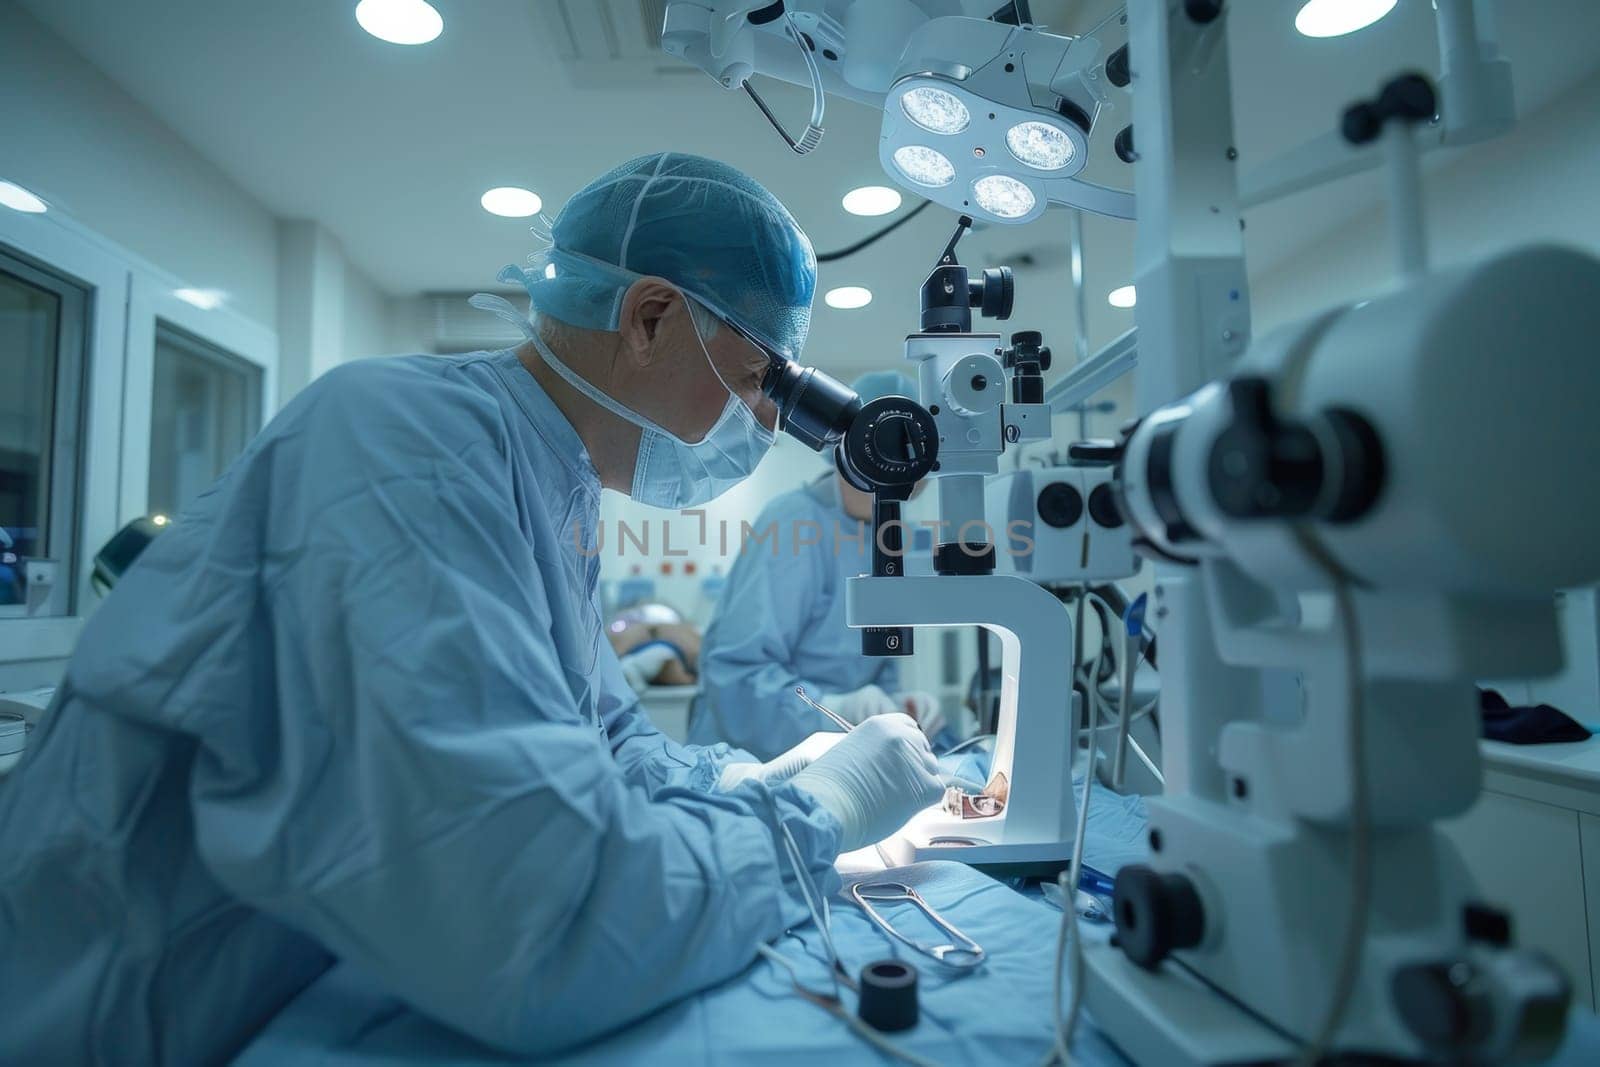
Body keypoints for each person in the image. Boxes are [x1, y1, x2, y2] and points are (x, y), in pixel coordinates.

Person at [0, 153, 944, 1064]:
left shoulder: (552, 479)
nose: (765, 422)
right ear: (651, 317)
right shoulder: (412, 446)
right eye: (752, 379)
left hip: (305, 971)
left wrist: (754, 781)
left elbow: (609, 743)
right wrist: (822, 811)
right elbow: (542, 919)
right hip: (138, 1012)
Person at [688, 371, 946, 761]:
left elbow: (880, 661)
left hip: (840, 757)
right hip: (751, 758)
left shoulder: (895, 537)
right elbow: (737, 675)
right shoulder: (793, 524)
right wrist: (833, 709)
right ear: (855, 448)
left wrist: (897, 704)